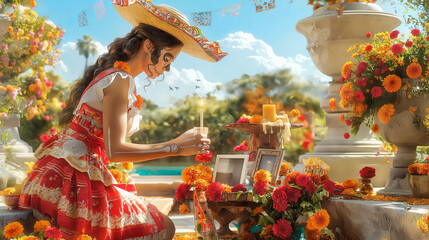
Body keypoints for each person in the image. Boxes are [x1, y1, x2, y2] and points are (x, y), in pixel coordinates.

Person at [18, 0, 227, 239]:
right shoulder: (119, 80)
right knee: (164, 226)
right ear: (149, 46)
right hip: (73, 180)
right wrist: (177, 146)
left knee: (159, 221)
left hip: (70, 170)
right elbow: (116, 150)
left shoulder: (122, 79)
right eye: (167, 58)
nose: (167, 69)